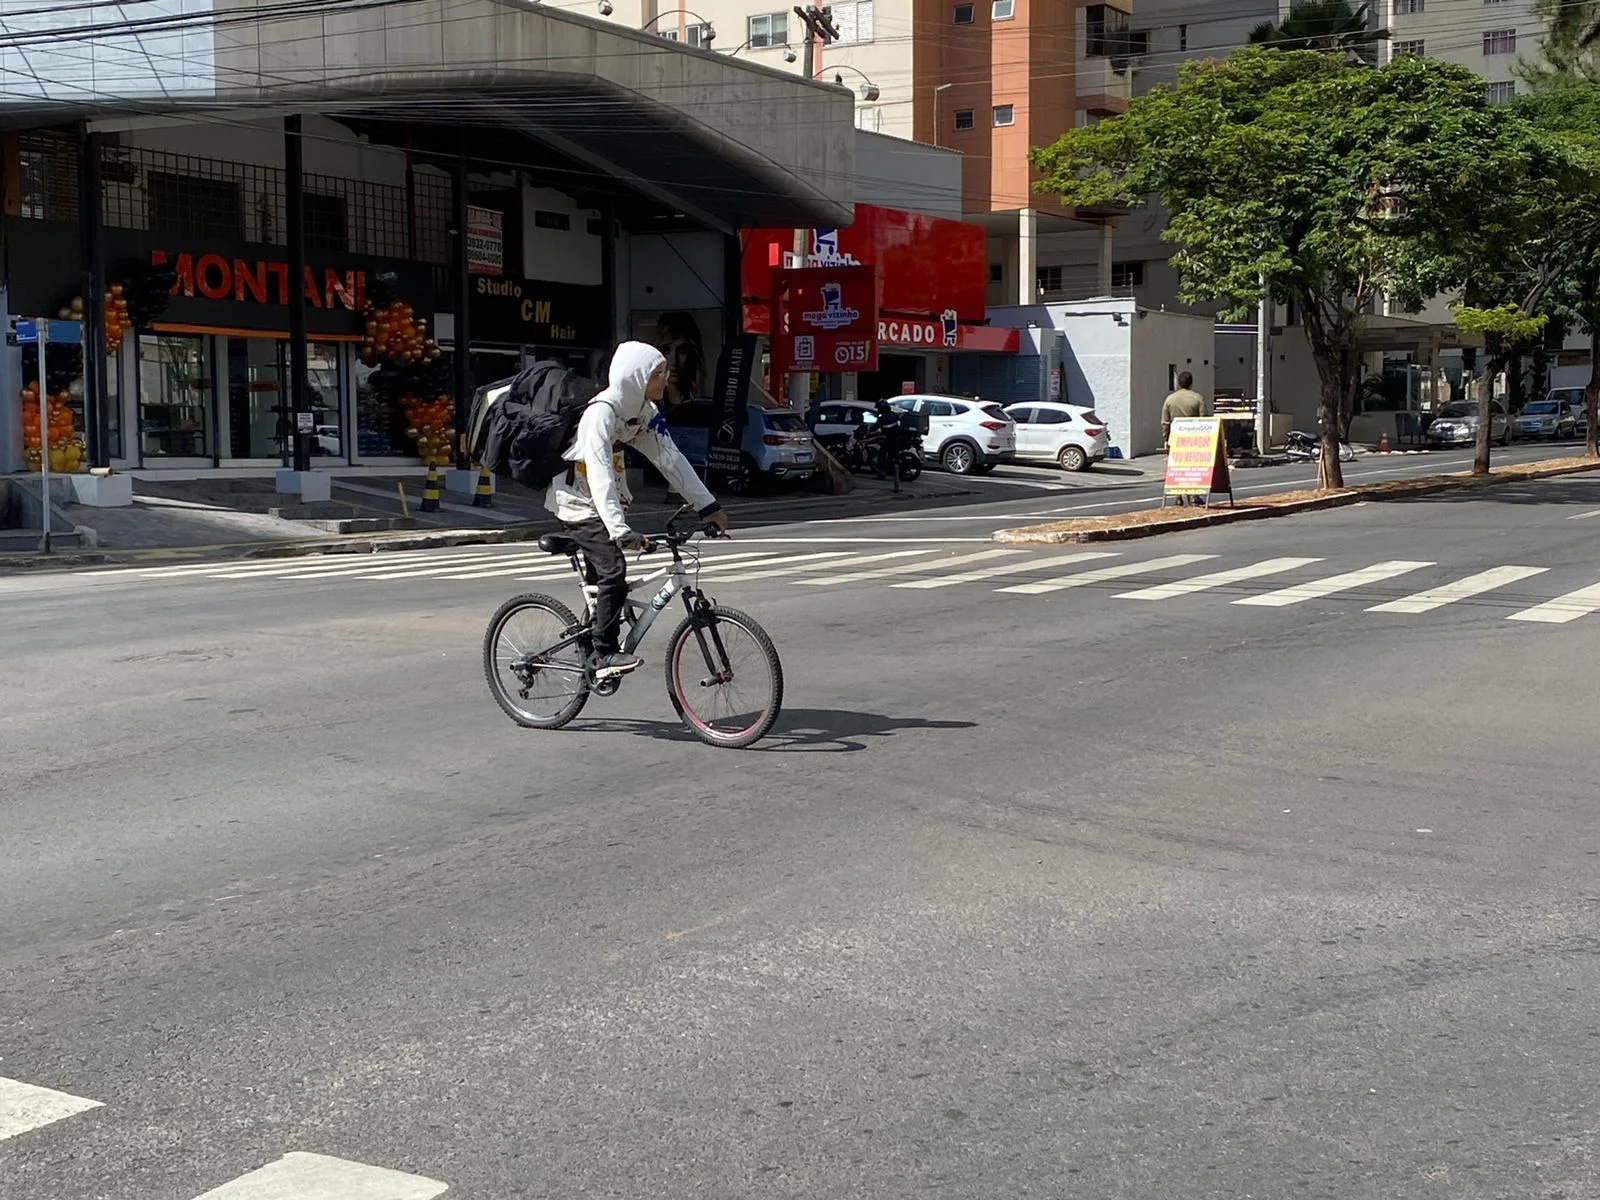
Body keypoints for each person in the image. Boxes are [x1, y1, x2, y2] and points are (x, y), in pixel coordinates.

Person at [546, 341, 730, 679]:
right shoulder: (600, 414)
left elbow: (670, 459)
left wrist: (708, 506)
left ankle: (593, 642)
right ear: (636, 377)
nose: (665, 380)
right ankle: (603, 654)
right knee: (613, 570)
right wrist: (620, 532)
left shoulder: (642, 413)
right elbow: (600, 473)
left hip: (607, 506)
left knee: (606, 584)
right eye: (658, 374)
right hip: (578, 505)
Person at [1160, 371, 1207, 448]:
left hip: (1176, 437)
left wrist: (1166, 438)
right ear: (1191, 383)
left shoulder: (1169, 399)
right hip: (1193, 438)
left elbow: (1165, 422)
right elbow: (1204, 420)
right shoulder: (1198, 398)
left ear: (1178, 383)